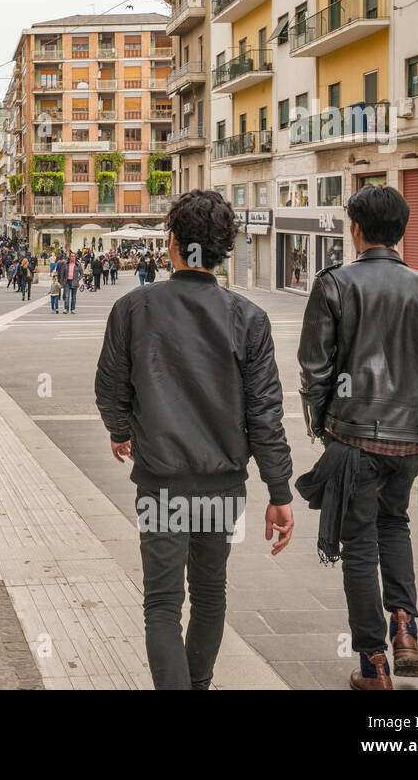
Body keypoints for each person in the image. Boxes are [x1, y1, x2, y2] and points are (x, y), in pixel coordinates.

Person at [95, 190, 294, 691]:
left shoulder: (134, 307)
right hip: (221, 483)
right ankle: (198, 683)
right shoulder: (248, 318)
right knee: (209, 594)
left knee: (162, 603)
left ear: (173, 243)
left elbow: (110, 386)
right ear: (225, 250)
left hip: (160, 480)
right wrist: (279, 491)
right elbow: (265, 412)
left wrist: (122, 431)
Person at [297, 184, 418, 690]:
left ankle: (373, 663)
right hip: (409, 443)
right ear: (403, 232)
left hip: (352, 440)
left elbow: (314, 370)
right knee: (393, 527)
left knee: (359, 546)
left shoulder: (332, 284)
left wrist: (321, 425)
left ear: (355, 228)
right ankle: (405, 625)